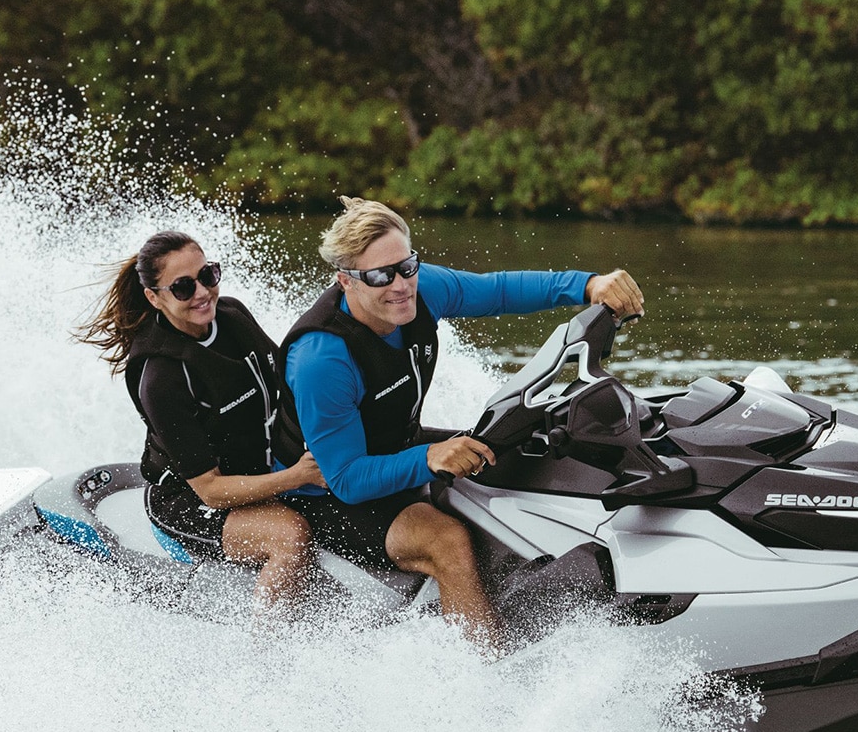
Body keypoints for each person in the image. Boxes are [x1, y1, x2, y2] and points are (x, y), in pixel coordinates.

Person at [279, 196, 645, 648]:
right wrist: (430, 457)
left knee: (532, 447)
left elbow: (497, 291)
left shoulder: (416, 287)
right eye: (379, 275)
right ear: (345, 280)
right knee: (445, 540)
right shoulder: (322, 360)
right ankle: (481, 682)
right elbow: (347, 479)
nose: (400, 285)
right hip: (323, 494)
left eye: (407, 265)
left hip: (393, 449)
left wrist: (588, 285)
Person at [76, 230, 325, 608]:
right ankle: (269, 659)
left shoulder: (234, 316)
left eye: (207, 276)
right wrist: (297, 476)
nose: (202, 293)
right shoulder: (161, 377)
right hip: (189, 499)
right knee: (290, 535)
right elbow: (210, 488)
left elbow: (292, 386)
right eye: (182, 287)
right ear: (154, 297)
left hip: (265, 469)